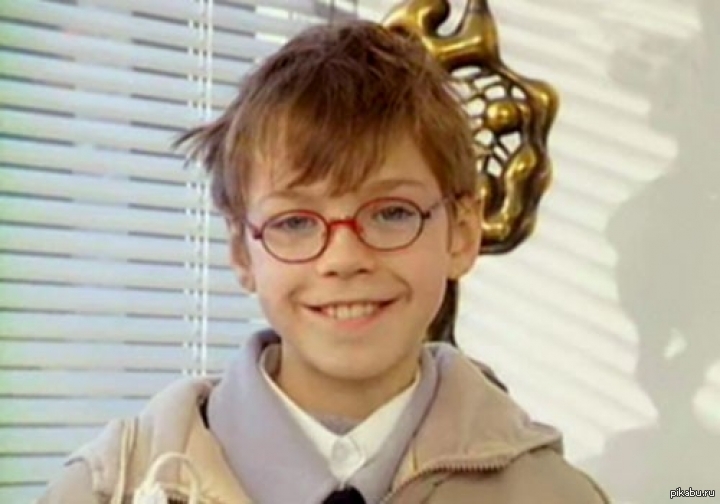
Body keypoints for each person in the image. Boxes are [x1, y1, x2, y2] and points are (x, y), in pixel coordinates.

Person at [39, 20, 609, 504]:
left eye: (391, 213)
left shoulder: (554, 494)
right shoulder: (106, 489)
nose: (344, 258)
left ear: (461, 233)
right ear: (241, 251)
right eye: (294, 222)